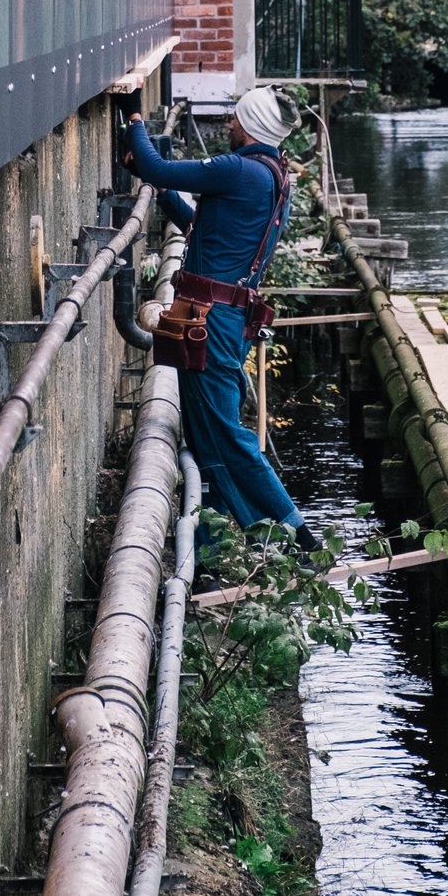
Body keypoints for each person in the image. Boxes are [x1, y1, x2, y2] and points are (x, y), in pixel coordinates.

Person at [122, 87, 321, 554]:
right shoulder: (272, 175)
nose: (229, 125)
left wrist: (133, 117)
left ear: (251, 126)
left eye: (235, 119)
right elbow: (201, 228)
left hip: (207, 319)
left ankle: (299, 536)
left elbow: (156, 166)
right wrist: (156, 186)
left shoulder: (239, 169)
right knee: (205, 435)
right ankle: (211, 548)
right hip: (217, 314)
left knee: (226, 435)